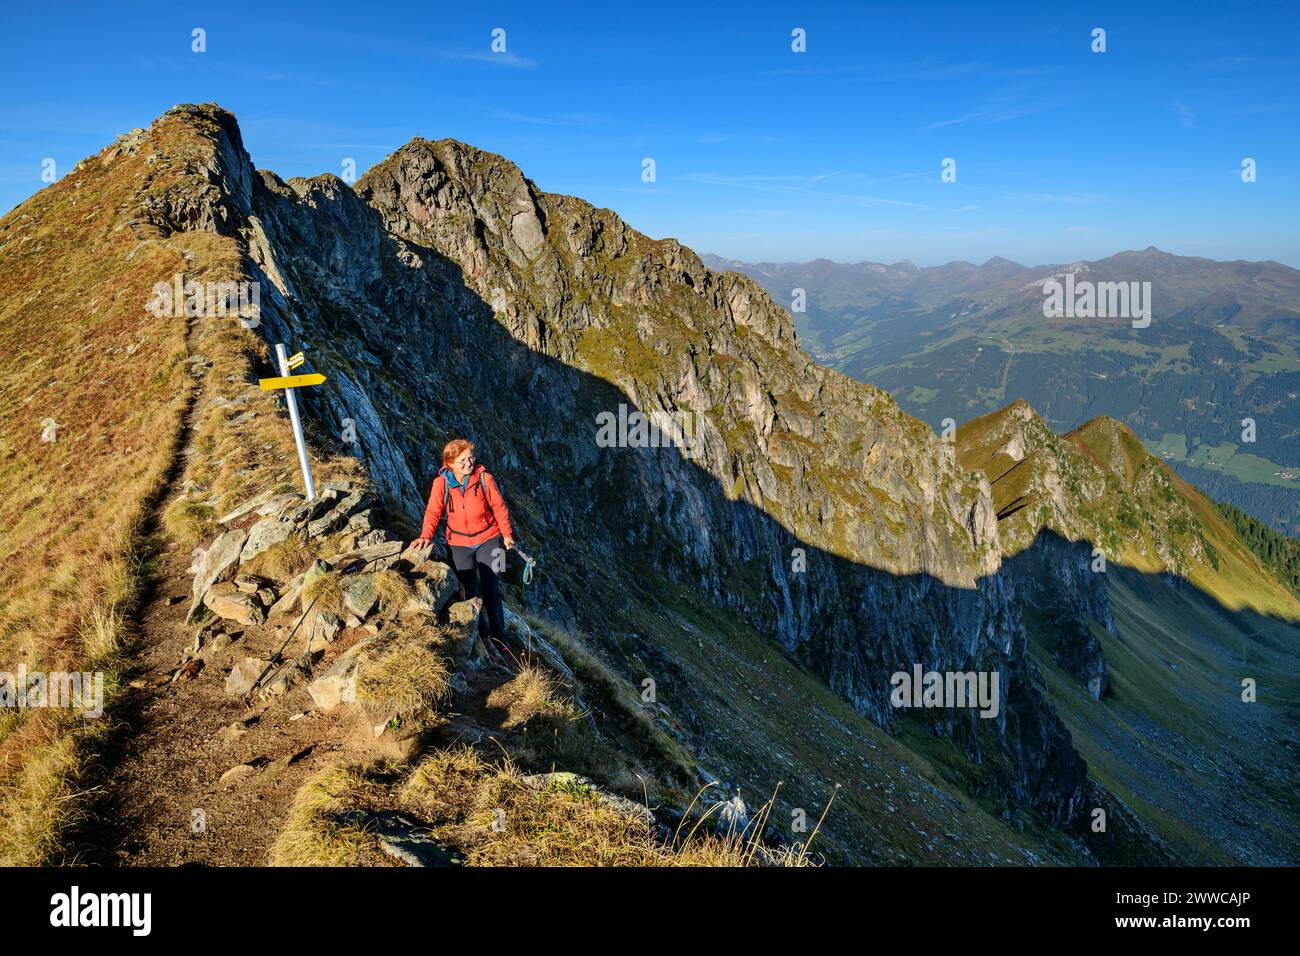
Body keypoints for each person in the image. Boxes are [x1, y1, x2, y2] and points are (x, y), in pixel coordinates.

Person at [409, 439, 515, 648]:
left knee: (492, 587)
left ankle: (499, 636)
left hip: (488, 539)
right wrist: (425, 536)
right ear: (449, 463)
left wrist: (507, 534)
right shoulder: (441, 484)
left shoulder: (484, 478)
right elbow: (433, 511)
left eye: (471, 458)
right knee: (469, 589)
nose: (469, 463)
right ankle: (482, 632)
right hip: (458, 542)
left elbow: (499, 507)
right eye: (463, 460)